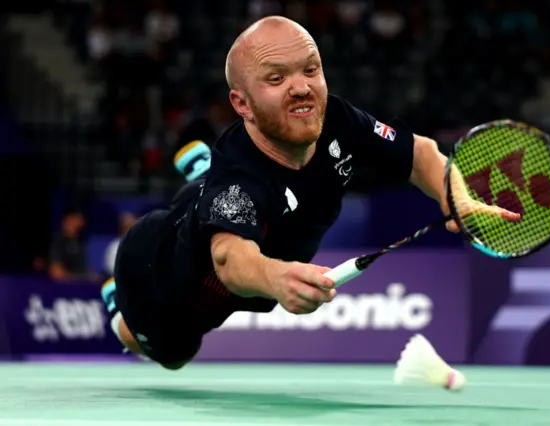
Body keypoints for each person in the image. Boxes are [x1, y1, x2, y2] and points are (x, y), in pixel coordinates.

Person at [101, 15, 518, 370]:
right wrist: (278, 275)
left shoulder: (336, 118)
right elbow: (230, 258)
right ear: (241, 104)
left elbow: (421, 154)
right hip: (157, 271)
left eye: (310, 69)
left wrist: (455, 196)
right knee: (171, 354)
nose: (302, 87)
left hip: (219, 207)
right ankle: (114, 302)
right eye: (277, 78)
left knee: (212, 200)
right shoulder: (238, 181)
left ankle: (199, 175)